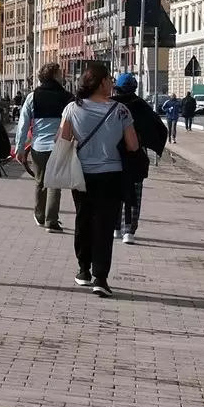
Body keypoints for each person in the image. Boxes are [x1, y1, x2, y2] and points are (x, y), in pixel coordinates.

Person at [56, 62, 140, 297]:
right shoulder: (121, 111)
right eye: (110, 79)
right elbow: (133, 145)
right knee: (104, 225)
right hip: (111, 174)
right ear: (102, 82)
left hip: (81, 174)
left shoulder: (72, 108)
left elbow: (62, 140)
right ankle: (100, 277)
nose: (112, 83)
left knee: (83, 219)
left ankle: (83, 269)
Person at [14, 63, 71, 233]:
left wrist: (20, 148)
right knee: (55, 184)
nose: (62, 75)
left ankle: (39, 215)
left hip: (38, 146)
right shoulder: (68, 97)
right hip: (59, 145)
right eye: (60, 72)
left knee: (40, 181)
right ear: (54, 75)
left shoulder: (33, 97)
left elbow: (23, 124)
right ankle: (51, 221)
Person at [113, 72, 167, 244]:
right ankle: (129, 230)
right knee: (134, 192)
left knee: (114, 192)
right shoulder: (142, 106)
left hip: (113, 155)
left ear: (117, 88)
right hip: (136, 156)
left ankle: (115, 227)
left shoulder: (111, 105)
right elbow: (159, 128)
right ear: (135, 88)